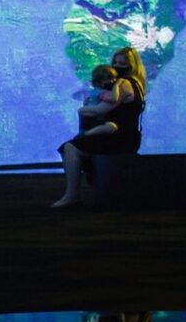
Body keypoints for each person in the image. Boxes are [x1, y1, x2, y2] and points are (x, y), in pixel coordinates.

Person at [52, 46, 146, 208]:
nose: (117, 67)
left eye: (122, 64)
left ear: (132, 65)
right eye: (115, 63)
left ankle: (72, 195)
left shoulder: (123, 84)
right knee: (77, 144)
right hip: (130, 137)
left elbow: (101, 110)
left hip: (118, 138)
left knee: (70, 147)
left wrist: (83, 110)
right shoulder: (138, 84)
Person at [78, 64, 120, 134]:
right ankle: (87, 133)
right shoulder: (101, 92)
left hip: (90, 118)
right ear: (100, 82)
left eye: (114, 78)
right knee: (112, 127)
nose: (114, 80)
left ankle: (85, 132)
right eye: (110, 79)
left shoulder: (93, 91)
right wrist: (116, 86)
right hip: (92, 119)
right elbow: (114, 98)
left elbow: (85, 102)